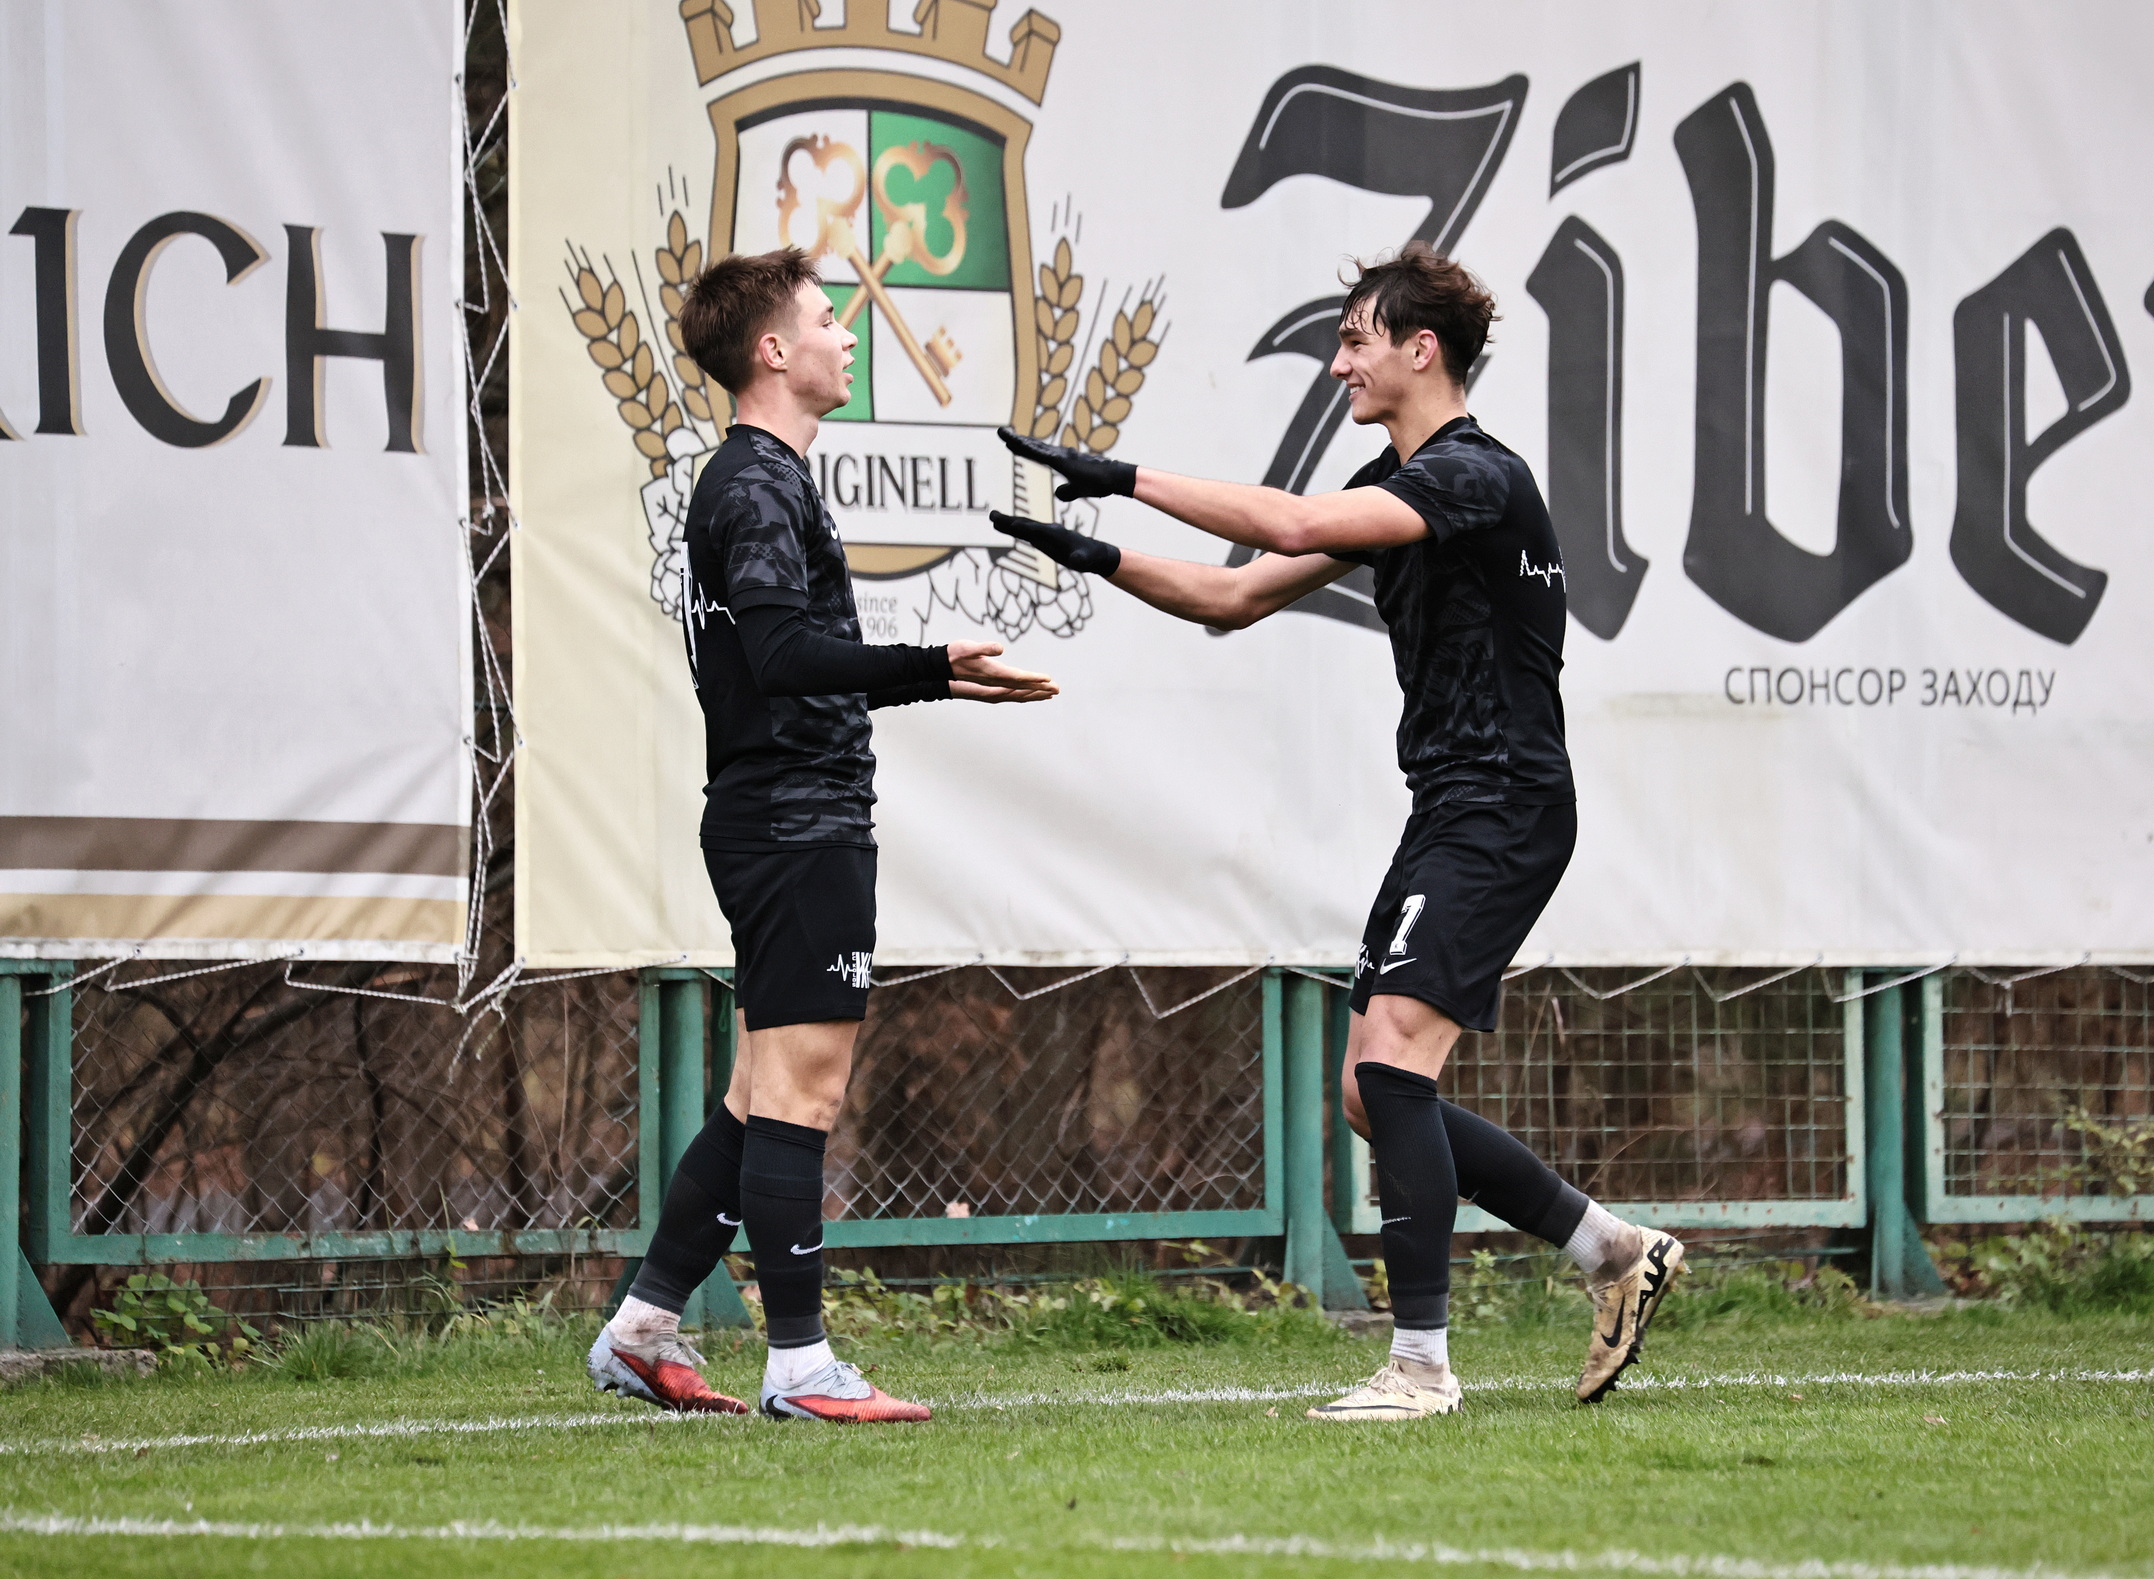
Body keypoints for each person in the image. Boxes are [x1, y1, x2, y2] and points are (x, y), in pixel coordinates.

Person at [990, 243, 1682, 1421]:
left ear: (1421, 349)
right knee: (1373, 1091)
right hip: (1453, 803)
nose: (1336, 363)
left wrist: (1120, 476)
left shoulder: (1472, 476)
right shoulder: (1398, 482)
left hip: (1503, 801)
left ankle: (1419, 1368)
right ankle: (1609, 1250)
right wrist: (1091, 552)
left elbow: (1297, 516)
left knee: (1390, 1064)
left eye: (1354, 341)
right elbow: (1229, 598)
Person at [589, 246, 1057, 1423]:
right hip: (793, 821)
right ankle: (799, 1366)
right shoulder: (753, 485)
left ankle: (641, 1331)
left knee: (760, 1093)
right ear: (771, 351)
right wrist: (938, 665)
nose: (849, 334)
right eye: (824, 318)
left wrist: (933, 674)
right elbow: (782, 657)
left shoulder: (766, 476)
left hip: (788, 815)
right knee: (803, 1091)